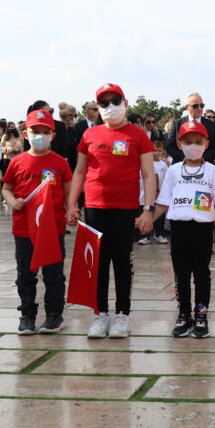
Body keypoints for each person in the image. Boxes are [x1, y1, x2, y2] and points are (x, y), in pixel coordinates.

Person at [66, 83, 156, 339]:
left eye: (114, 101)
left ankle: (122, 315)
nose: (109, 107)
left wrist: (148, 210)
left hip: (125, 208)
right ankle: (99, 313)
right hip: (95, 207)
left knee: (122, 262)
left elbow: (149, 175)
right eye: (103, 103)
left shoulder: (138, 135)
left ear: (125, 103)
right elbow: (80, 171)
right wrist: (72, 204)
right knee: (97, 263)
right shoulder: (89, 135)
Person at [153, 120, 215, 338]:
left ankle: (201, 315)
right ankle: (183, 315)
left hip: (202, 230)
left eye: (198, 142)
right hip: (178, 230)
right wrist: (149, 218)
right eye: (188, 142)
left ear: (206, 144)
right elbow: (163, 201)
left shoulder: (213, 171)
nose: (193, 146)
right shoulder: (173, 171)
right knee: (180, 274)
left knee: (201, 274)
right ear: (179, 145)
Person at [1, 110, 73, 335]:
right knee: (25, 273)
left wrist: (72, 209)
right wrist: (13, 202)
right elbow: (6, 189)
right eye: (35, 131)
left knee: (53, 273)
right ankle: (27, 315)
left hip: (53, 229)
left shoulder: (60, 163)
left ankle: (54, 315)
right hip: (24, 228)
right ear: (25, 133)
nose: (40, 135)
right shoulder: (17, 162)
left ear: (53, 135)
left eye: (45, 132)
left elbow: (69, 192)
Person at [166, 93, 215, 165]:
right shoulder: (177, 124)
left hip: (205, 166)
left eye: (202, 105)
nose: (200, 108)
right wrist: (187, 159)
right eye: (195, 106)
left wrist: (200, 159)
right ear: (187, 107)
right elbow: (170, 147)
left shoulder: (212, 125)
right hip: (181, 165)